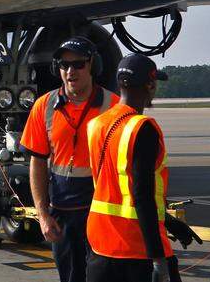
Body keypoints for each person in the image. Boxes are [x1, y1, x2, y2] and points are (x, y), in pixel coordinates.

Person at [85, 54, 200, 282]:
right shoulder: (142, 128)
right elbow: (141, 195)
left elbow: (119, 190)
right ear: (149, 85)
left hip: (101, 245)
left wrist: (169, 222)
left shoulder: (97, 125)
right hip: (137, 249)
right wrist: (158, 259)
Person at [20, 36, 119, 282]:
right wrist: (43, 215)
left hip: (100, 212)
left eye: (78, 64)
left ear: (93, 66)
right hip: (62, 213)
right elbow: (38, 162)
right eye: (64, 65)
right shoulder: (44, 106)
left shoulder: (113, 106)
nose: (70, 71)